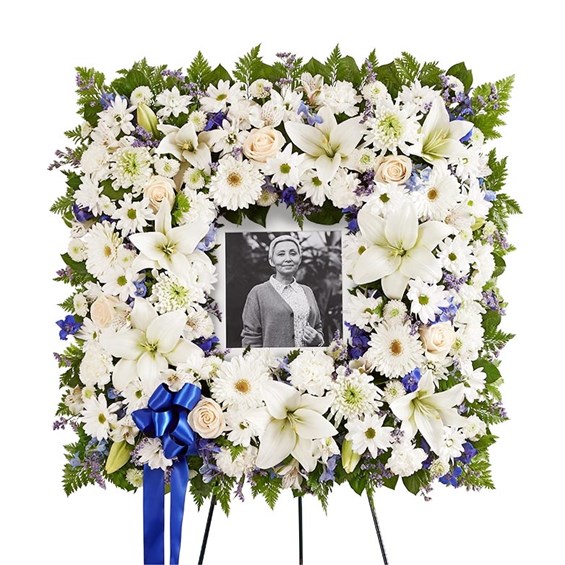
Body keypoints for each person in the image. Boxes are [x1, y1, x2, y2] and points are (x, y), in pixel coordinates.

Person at [241, 235, 324, 348]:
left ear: (299, 259)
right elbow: (250, 338)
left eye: (293, 253)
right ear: (271, 260)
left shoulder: (307, 291)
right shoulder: (258, 293)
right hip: (274, 359)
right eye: (281, 254)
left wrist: (318, 339)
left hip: (307, 358)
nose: (288, 258)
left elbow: (318, 326)